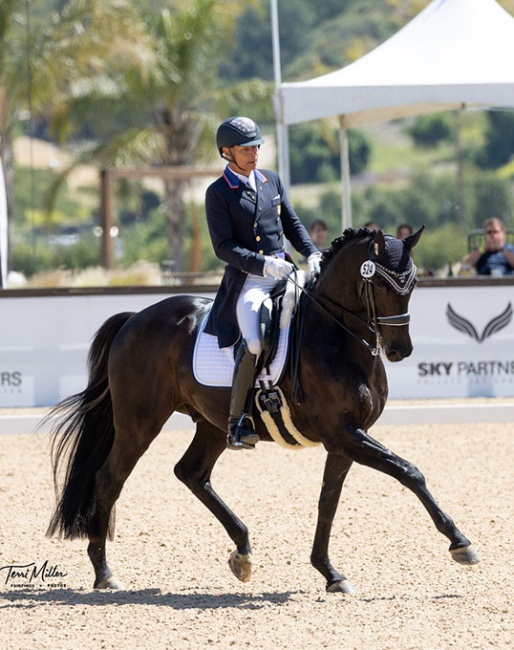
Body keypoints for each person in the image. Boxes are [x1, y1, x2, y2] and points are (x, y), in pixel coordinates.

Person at [204, 116, 322, 450]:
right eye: (245, 149)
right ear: (227, 152)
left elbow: (293, 223)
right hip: (250, 281)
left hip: (285, 271)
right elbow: (223, 247)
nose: (254, 153)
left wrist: (311, 253)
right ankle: (237, 421)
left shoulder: (272, 180)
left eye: (256, 146)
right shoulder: (218, 193)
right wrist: (263, 264)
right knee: (254, 341)